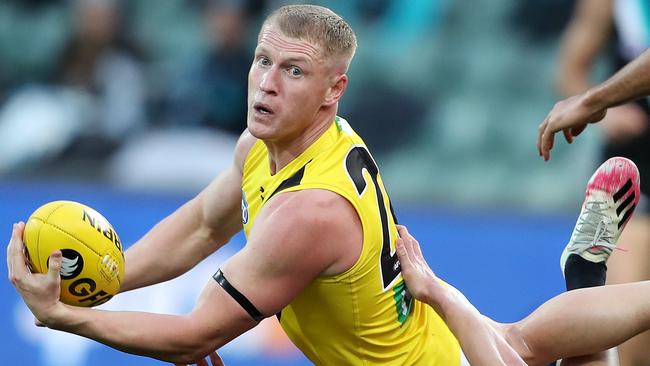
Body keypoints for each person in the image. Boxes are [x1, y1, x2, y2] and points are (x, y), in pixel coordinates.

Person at [6, 4, 650, 366]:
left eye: (292, 70)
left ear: (332, 92)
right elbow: (203, 225)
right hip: (427, 337)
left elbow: (197, 336)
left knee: (531, 346)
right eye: (263, 60)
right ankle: (585, 275)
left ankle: (587, 277)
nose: (265, 83)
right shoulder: (270, 143)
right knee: (527, 340)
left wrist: (64, 315)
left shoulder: (309, 212)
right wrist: (109, 278)